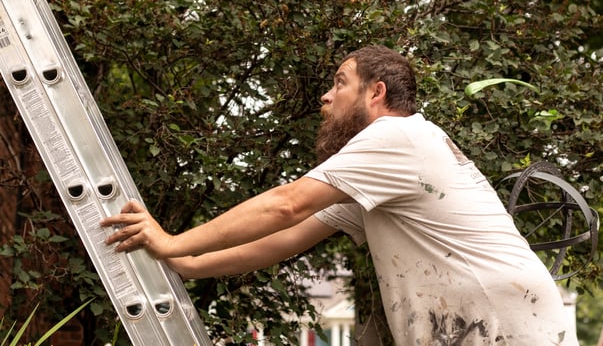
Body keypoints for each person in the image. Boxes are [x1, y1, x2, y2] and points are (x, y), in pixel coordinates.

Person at [101, 45, 578, 346]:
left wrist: (172, 240)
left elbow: (286, 204)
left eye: (338, 83)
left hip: (501, 325)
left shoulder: (393, 137)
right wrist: (188, 263)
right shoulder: (389, 164)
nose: (325, 98)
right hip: (496, 319)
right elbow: (285, 238)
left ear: (376, 93)